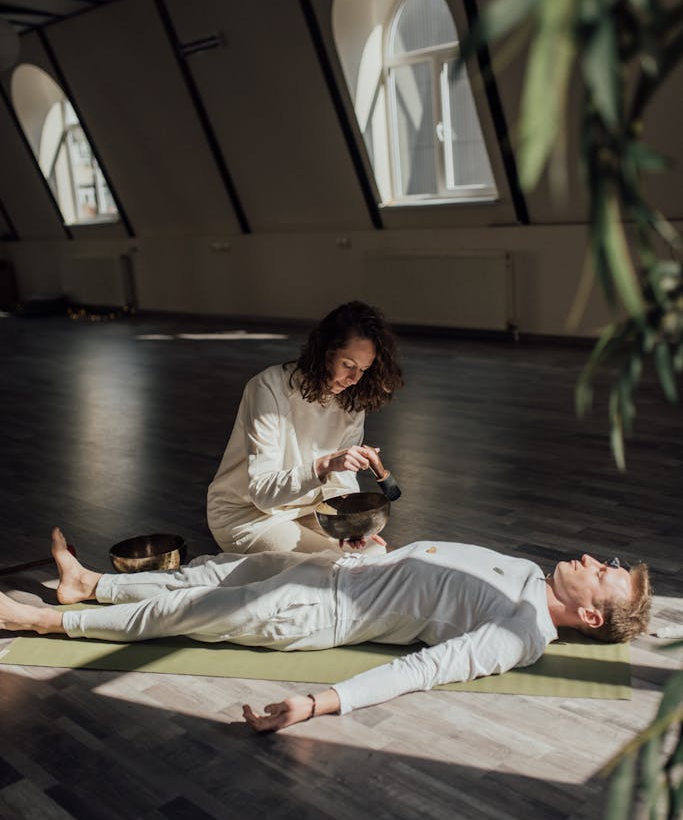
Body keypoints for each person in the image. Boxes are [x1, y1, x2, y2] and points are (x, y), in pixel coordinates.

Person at [0, 530, 651, 734]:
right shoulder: (529, 573)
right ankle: (91, 584)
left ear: (592, 617)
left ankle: (45, 621)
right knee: (211, 573)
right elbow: (430, 570)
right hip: (342, 569)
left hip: (319, 612)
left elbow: (424, 668)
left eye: (603, 574)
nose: (592, 560)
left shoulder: (521, 631)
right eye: (605, 561)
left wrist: (317, 703)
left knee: (185, 612)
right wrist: (383, 551)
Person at [206, 301, 403, 555]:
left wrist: (348, 523)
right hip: (247, 515)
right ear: (325, 351)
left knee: (372, 554)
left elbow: (340, 483)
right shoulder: (267, 387)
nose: (355, 379)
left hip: (308, 511)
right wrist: (325, 465)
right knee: (331, 566)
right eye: (348, 365)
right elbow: (262, 494)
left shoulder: (352, 402)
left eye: (363, 370)